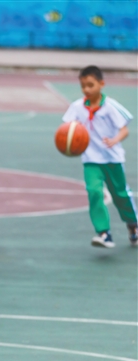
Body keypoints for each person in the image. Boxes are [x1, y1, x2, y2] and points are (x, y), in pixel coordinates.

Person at [62, 65, 137, 248]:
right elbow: (67, 130)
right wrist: (68, 143)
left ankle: (133, 225)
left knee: (120, 195)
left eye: (90, 85)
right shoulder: (77, 107)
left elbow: (124, 130)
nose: (86, 89)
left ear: (101, 84)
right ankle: (104, 233)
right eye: (83, 86)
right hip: (91, 159)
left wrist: (114, 140)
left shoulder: (110, 106)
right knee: (94, 192)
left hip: (112, 159)